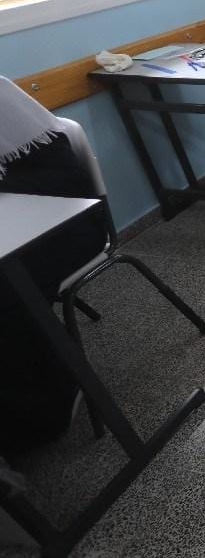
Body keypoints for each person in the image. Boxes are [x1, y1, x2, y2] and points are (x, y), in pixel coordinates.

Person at [0, 78, 107, 454]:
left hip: (68, 227)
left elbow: (67, 179)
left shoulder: (3, 99)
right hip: (11, 232)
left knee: (6, 295)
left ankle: (52, 399)